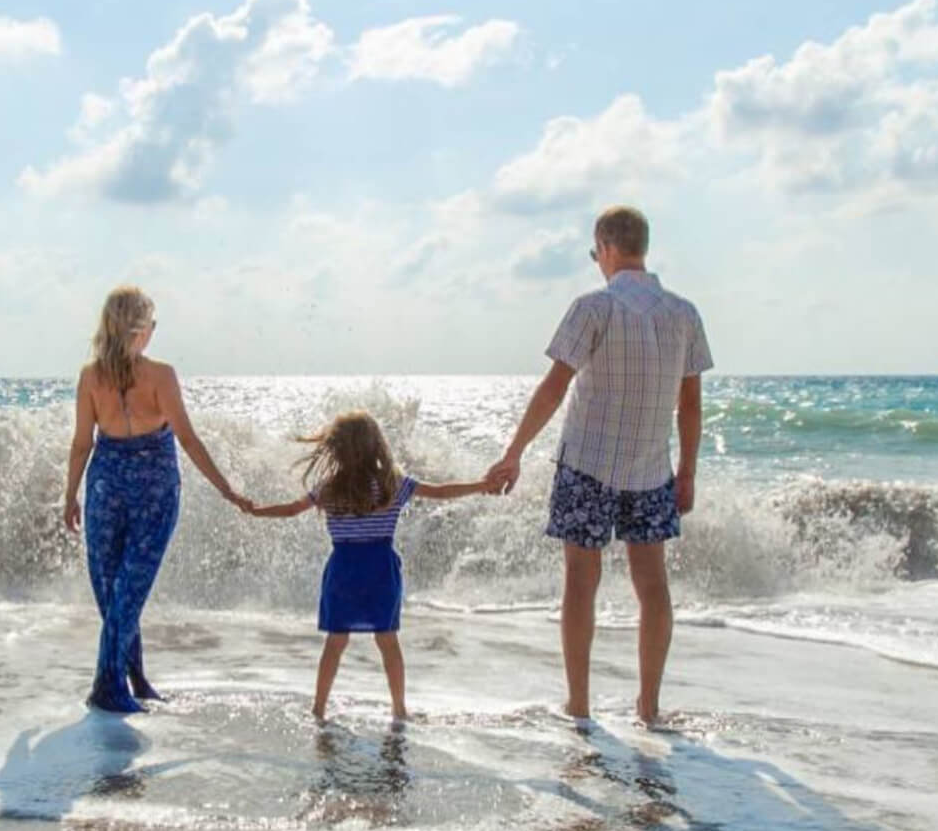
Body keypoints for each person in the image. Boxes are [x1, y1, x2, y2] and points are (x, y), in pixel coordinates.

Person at [486, 206, 712, 727]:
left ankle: (580, 705)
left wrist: (515, 451)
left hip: (587, 464)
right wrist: (689, 472)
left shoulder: (594, 308)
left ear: (607, 247)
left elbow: (553, 388)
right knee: (652, 587)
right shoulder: (684, 313)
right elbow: (692, 405)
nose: (597, 262)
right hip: (652, 469)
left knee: (580, 584)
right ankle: (649, 707)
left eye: (595, 253)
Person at [63, 286, 251, 713]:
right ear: (142, 329)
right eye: (152, 323)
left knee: (119, 589)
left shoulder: (92, 376)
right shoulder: (159, 376)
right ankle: (108, 686)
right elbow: (186, 438)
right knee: (122, 591)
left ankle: (132, 679)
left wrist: (71, 494)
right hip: (150, 487)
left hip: (106, 484)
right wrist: (226, 488)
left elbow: (81, 444)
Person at [249, 411, 493, 721]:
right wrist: (481, 485)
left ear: (336, 448)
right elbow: (441, 492)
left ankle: (319, 708)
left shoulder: (329, 488)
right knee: (388, 641)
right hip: (380, 572)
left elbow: (291, 510)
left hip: (343, 571)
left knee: (335, 642)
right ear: (376, 446)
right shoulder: (393, 484)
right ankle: (399, 708)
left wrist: (256, 510)